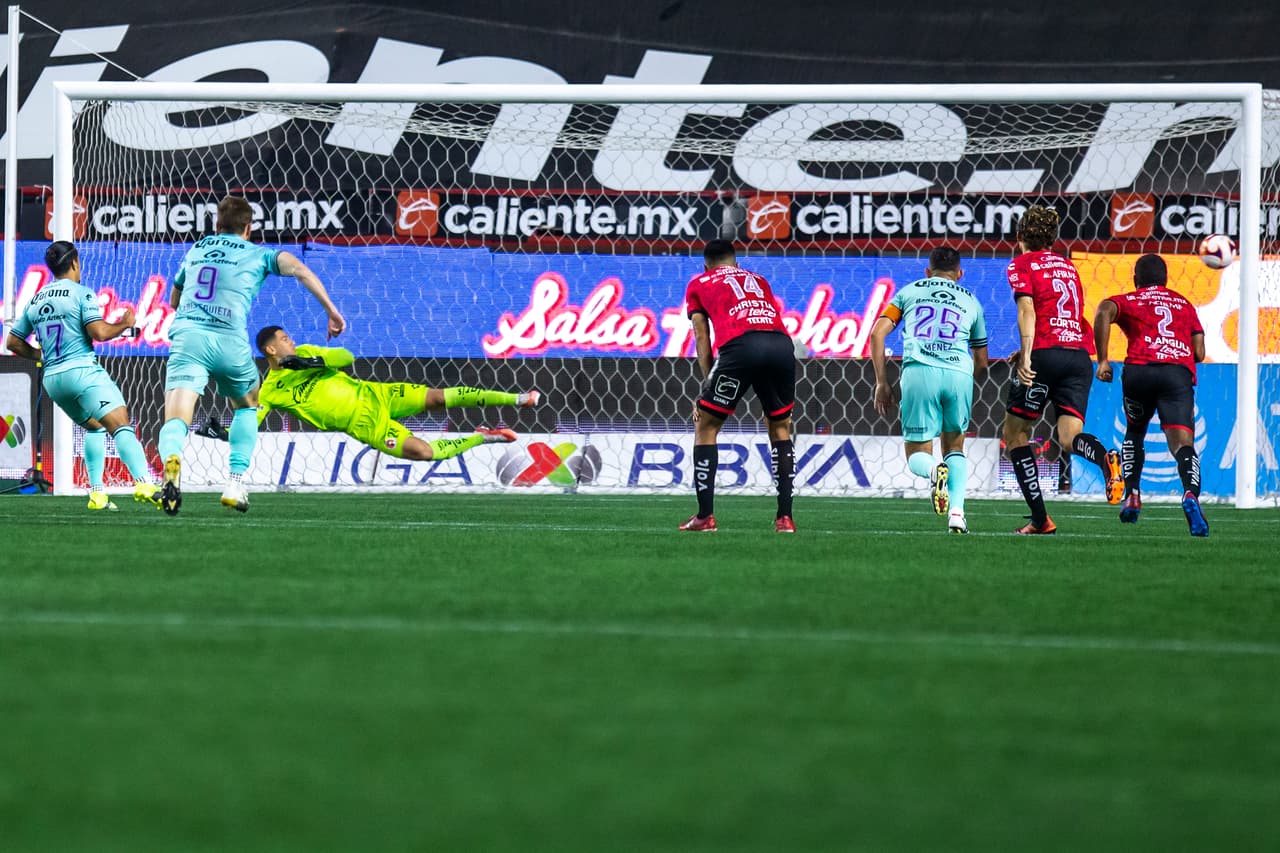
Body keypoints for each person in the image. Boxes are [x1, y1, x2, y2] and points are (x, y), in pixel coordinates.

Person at [157, 196, 345, 516]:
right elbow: (300, 269)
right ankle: (234, 483)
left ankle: (172, 464)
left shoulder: (198, 249)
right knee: (247, 405)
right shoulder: (260, 253)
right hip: (230, 339)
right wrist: (332, 312)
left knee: (176, 416)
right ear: (248, 228)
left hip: (189, 337)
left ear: (217, 226)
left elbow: (174, 297)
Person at [5, 241, 160, 511]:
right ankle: (145, 482)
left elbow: (13, 342)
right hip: (82, 371)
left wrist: (40, 356)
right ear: (75, 262)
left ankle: (97, 493)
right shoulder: (81, 293)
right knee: (120, 422)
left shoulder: (36, 299)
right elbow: (98, 333)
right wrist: (125, 322)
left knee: (94, 425)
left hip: (53, 380)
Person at [1002, 205, 1121, 535]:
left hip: (1043, 355)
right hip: (1077, 356)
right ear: (1053, 238)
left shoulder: (1022, 264)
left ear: (1020, 236)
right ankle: (1104, 458)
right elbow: (1064, 315)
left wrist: (1027, 355)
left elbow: (1028, 309)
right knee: (1069, 438)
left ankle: (1040, 519)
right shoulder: (1069, 266)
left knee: (1015, 434)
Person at [253, 326, 538, 462]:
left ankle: (516, 398)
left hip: (377, 394)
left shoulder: (305, 353)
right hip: (366, 426)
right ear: (271, 350)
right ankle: (482, 436)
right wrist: (223, 433)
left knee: (437, 398)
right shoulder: (272, 390)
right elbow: (251, 422)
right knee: (423, 452)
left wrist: (311, 362)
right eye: (284, 339)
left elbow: (346, 356)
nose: (291, 340)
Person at [679, 240, 797, 533]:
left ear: (706, 265)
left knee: (706, 426)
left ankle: (705, 517)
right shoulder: (758, 279)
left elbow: (701, 337)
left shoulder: (699, 282)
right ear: (737, 262)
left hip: (741, 347)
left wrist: (707, 386)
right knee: (781, 427)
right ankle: (785, 518)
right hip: (781, 345)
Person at [871, 247, 989, 534]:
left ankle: (934, 470)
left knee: (917, 454)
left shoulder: (908, 292)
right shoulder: (972, 301)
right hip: (959, 373)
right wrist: (968, 378)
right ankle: (958, 514)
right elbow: (982, 361)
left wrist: (882, 382)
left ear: (928, 271)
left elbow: (877, 333)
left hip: (919, 372)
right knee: (955, 447)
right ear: (959, 274)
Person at [1094, 254, 1208, 536]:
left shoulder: (1130, 300)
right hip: (1176, 375)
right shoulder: (1184, 304)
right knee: (1183, 444)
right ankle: (1190, 495)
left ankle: (1132, 493)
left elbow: (1102, 312)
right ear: (1166, 280)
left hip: (1140, 373)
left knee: (1134, 433)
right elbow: (1200, 352)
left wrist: (1103, 360)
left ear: (1136, 280)